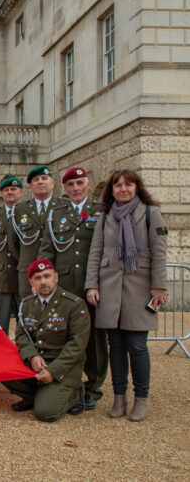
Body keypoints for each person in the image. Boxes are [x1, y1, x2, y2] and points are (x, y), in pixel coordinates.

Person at [85, 170, 168, 422]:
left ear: (136, 188)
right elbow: (95, 253)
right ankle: (119, 397)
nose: (123, 189)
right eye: (118, 185)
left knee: (137, 346)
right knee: (116, 347)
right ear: (112, 190)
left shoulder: (151, 213)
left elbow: (160, 252)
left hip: (139, 287)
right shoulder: (104, 218)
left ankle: (141, 398)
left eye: (128, 185)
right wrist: (91, 285)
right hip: (109, 288)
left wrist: (159, 286)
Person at [39, 167, 107, 411]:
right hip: (65, 286)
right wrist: (44, 279)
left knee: (95, 341)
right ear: (65, 189)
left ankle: (94, 388)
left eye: (80, 183)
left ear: (88, 184)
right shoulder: (56, 213)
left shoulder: (102, 211)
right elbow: (48, 249)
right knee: (65, 337)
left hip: (94, 286)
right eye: (71, 185)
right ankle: (72, 385)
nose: (76, 188)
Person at [3, 259, 91, 422]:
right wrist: (32, 356)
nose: (43, 282)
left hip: (62, 367)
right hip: (37, 362)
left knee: (46, 413)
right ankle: (34, 397)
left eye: (47, 276)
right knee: (2, 366)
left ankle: (75, 393)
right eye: (37, 278)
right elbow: (22, 335)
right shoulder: (27, 304)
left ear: (56, 277)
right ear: (31, 281)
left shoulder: (74, 305)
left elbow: (77, 345)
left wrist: (54, 371)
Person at [8, 166, 68, 298]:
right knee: (29, 312)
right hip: (28, 273)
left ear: (52, 183)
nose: (40, 182)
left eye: (44, 178)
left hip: (58, 271)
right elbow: (13, 244)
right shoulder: (19, 210)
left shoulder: (65, 206)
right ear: (30, 186)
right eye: (36, 180)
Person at [0, 176, 23, 334]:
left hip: (23, 274)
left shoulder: (28, 213)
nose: (10, 192)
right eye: (6, 190)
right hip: (0, 276)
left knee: (27, 322)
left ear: (21, 192)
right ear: (1, 193)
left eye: (13, 189)